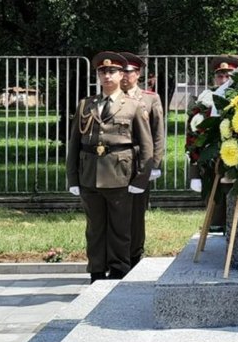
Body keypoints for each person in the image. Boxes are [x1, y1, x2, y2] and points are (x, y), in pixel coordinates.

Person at [66, 52, 155, 281]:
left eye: (112, 71)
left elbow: (146, 145)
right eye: (102, 72)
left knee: (120, 227)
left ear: (120, 74)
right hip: (90, 174)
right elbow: (74, 143)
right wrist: (73, 178)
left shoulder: (134, 106)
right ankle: (96, 269)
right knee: (94, 228)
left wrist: (141, 178)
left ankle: (118, 269)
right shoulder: (86, 104)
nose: (107, 76)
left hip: (120, 173)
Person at [117, 52, 165, 269]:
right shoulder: (112, 97)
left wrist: (155, 164)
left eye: (128, 72)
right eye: (122, 72)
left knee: (136, 212)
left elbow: (158, 133)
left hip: (139, 161)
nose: (124, 76)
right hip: (114, 162)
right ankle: (117, 257)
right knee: (116, 210)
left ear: (138, 74)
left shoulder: (149, 98)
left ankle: (135, 254)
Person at [189, 55, 238, 234]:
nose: (224, 80)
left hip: (237, 157)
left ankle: (236, 231)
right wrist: (194, 172)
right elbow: (192, 135)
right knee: (215, 205)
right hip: (211, 159)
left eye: (229, 75)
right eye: (220, 76)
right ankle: (216, 228)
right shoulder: (205, 98)